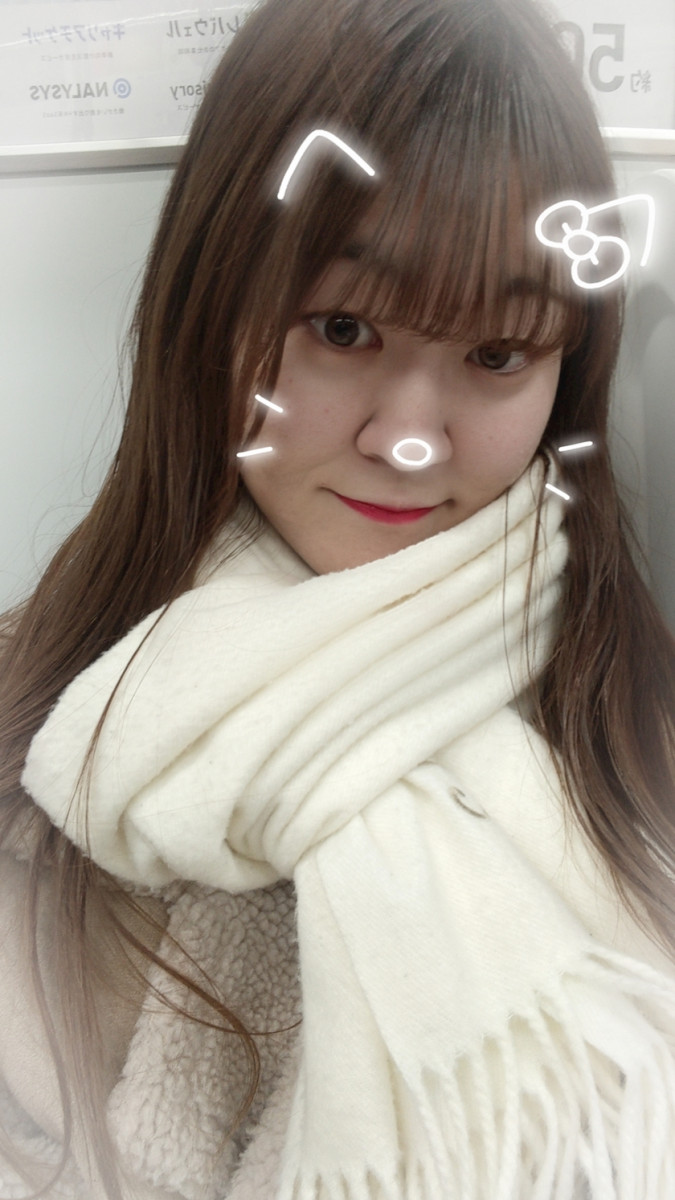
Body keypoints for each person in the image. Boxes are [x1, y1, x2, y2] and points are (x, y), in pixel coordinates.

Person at [2, 0, 675, 1195]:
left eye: (499, 353)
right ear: (210, 307)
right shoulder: (30, 704)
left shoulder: (636, 729)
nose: (409, 439)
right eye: (344, 327)